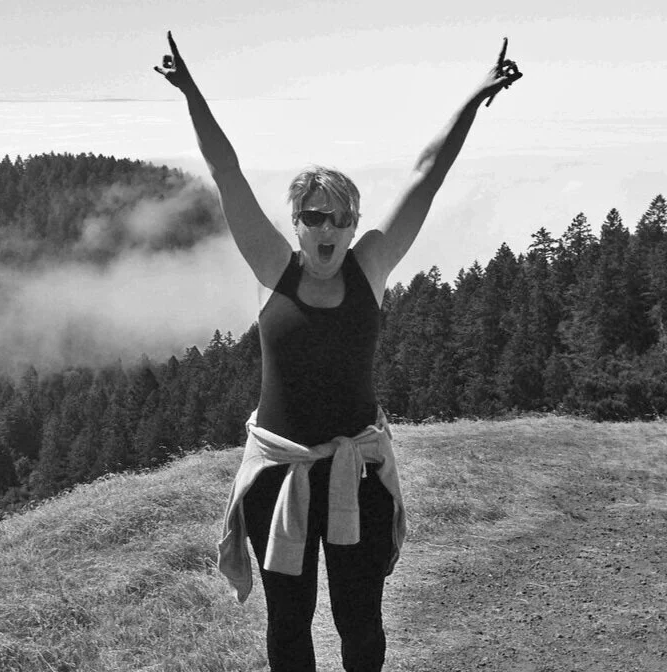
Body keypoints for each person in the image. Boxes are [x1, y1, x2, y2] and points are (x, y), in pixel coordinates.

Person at [155, 32, 522, 672]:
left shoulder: (370, 267)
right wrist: (191, 93)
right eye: (314, 216)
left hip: (358, 471)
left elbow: (427, 174)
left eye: (340, 217)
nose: (327, 227)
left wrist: (474, 98)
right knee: (288, 624)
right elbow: (225, 171)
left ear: (354, 224)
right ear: (296, 223)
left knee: (361, 622)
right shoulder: (273, 268)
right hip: (281, 473)